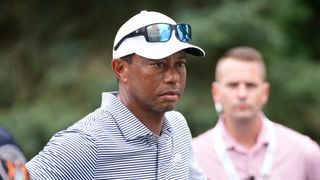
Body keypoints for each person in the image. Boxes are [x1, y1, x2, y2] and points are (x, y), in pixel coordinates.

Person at [26, 10, 207, 179]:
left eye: (180, 64)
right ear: (121, 69)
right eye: (158, 65)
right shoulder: (86, 142)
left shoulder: (178, 125)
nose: (173, 77)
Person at [192, 46, 320, 180]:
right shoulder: (194, 155)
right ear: (216, 92)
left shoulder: (303, 152)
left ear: (264, 92)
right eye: (233, 85)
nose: (242, 94)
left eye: (250, 85)